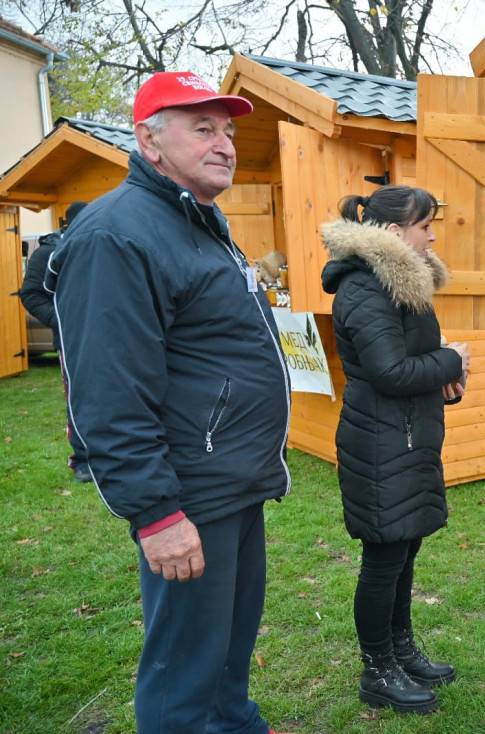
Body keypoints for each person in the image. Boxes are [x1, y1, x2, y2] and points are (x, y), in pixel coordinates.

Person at [46, 72, 293, 734]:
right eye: (203, 128)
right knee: (183, 680)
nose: (225, 145)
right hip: (188, 496)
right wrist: (156, 514)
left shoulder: (199, 222)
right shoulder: (117, 234)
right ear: (149, 142)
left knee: (226, 662)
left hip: (233, 484)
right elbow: (107, 389)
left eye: (229, 131)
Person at [320, 186, 470, 714]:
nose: (432, 235)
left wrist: (448, 376)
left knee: (405, 549)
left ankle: (402, 651)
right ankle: (377, 669)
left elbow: (418, 356)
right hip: (381, 443)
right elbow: (390, 371)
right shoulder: (365, 289)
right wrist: (451, 362)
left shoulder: (403, 284)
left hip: (408, 435)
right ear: (391, 233)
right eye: (424, 225)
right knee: (383, 559)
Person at [19, 200, 90, 481]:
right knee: (79, 400)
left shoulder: (102, 248)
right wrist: (65, 321)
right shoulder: (49, 252)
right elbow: (31, 295)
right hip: (72, 340)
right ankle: (82, 460)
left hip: (113, 338)